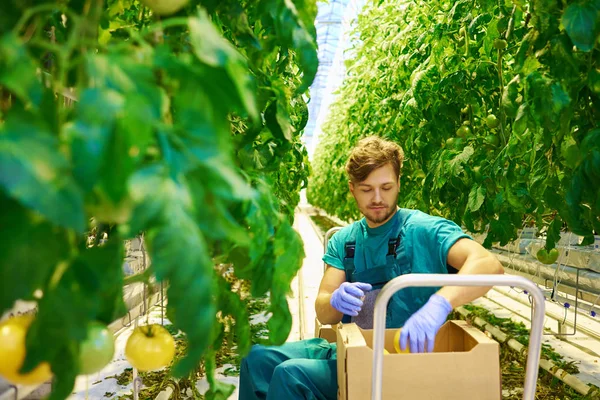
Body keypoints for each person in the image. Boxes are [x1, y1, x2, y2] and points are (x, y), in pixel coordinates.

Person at [239, 136, 504, 399]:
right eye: (367, 189)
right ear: (352, 189)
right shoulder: (345, 240)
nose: (377, 198)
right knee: (256, 359)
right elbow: (323, 310)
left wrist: (439, 304)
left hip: (401, 361)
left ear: (399, 184)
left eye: (386, 187)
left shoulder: (424, 229)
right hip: (349, 348)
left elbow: (488, 265)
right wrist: (334, 300)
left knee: (291, 374)